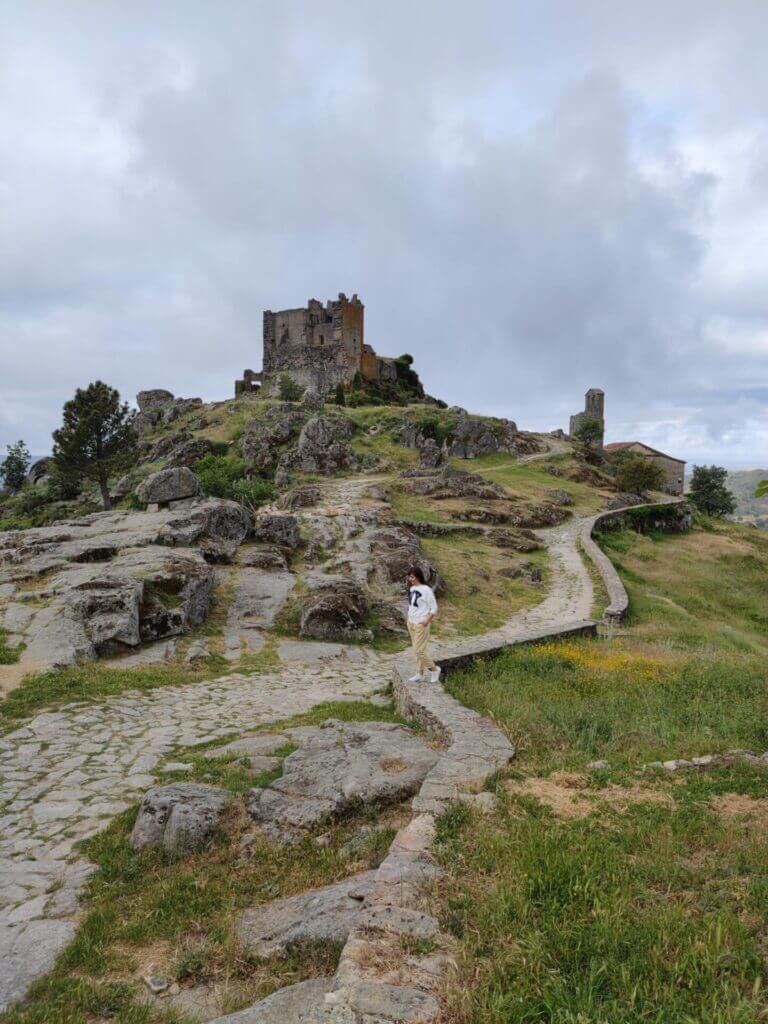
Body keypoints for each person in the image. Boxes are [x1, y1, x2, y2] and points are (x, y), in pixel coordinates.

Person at [406, 566, 441, 683]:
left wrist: (427, 620)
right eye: (409, 576)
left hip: (421, 624)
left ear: (418, 576)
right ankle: (420, 674)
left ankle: (434, 670)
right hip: (411, 622)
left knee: (418, 650)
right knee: (419, 650)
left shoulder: (426, 590)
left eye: (412, 576)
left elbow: (434, 608)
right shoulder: (411, 588)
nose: (410, 579)